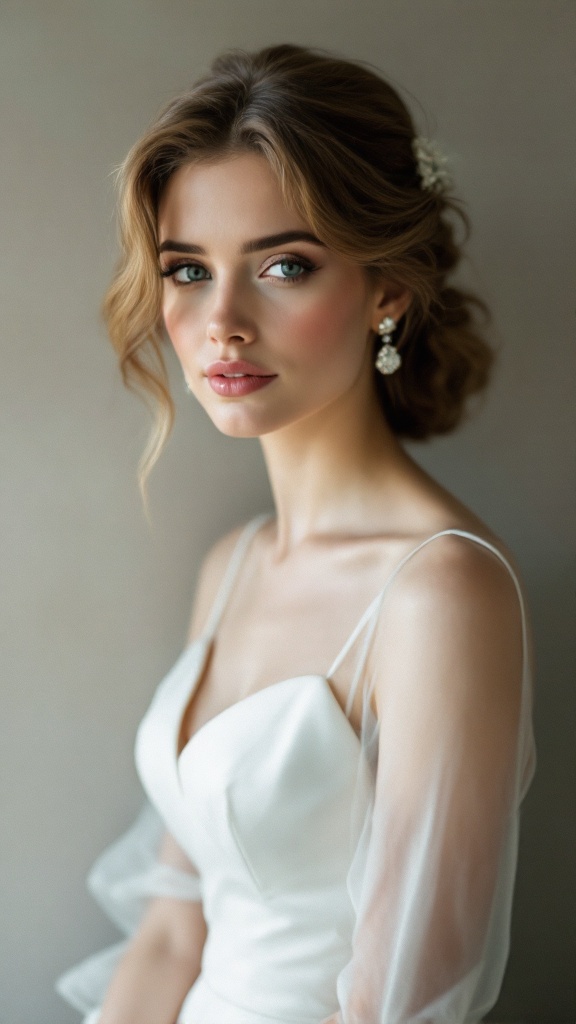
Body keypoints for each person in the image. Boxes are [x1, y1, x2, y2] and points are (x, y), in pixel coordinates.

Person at [57, 43, 536, 1024]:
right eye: (188, 270)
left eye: (284, 265)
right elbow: (170, 932)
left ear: (388, 289)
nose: (221, 321)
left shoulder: (442, 593)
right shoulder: (231, 564)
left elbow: (400, 1003)